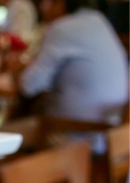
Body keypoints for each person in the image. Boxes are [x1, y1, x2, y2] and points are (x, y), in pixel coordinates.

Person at [11, 0, 128, 128]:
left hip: (74, 130)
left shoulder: (64, 27)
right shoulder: (98, 20)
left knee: (7, 131)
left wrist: (17, 71)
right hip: (108, 130)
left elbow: (28, 86)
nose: (44, 7)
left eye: (50, 1)